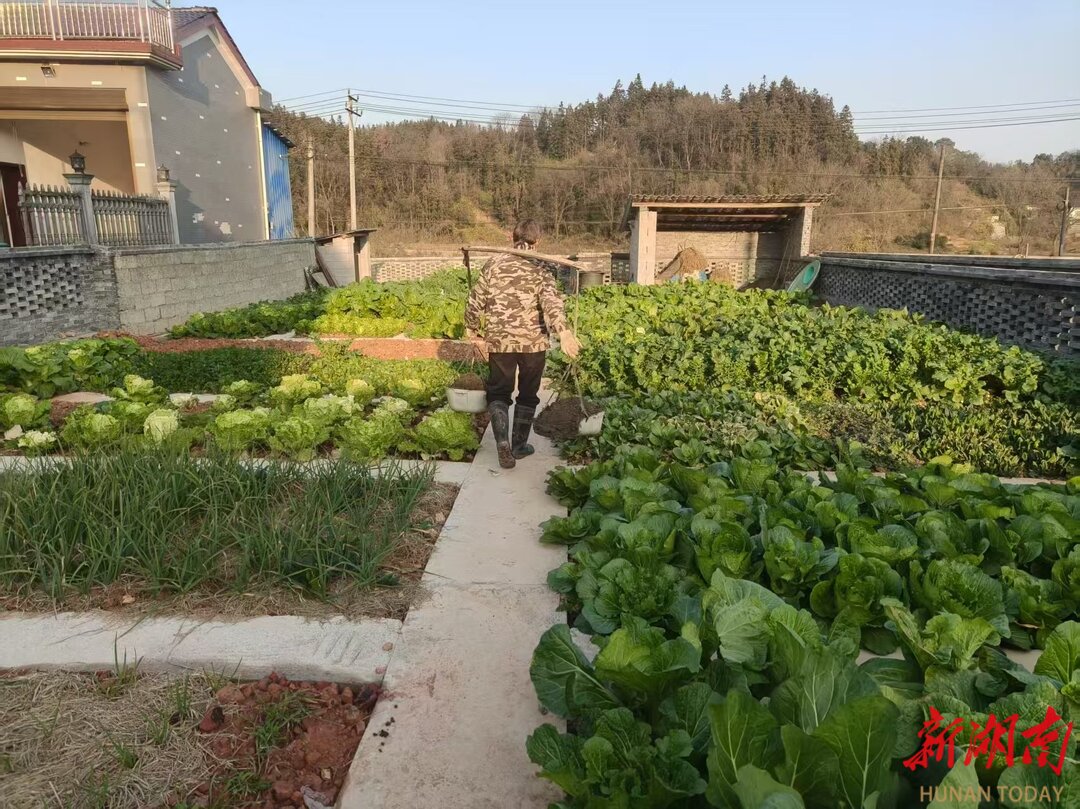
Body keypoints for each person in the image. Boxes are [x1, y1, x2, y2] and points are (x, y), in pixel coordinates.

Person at [464, 219, 581, 469]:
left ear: (512, 237)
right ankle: (518, 445)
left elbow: (475, 299)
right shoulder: (542, 266)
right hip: (533, 343)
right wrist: (563, 331)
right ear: (538, 241)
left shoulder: (493, 264)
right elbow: (551, 302)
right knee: (528, 393)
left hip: (500, 340)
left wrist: (471, 327)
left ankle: (502, 443)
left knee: (499, 392)